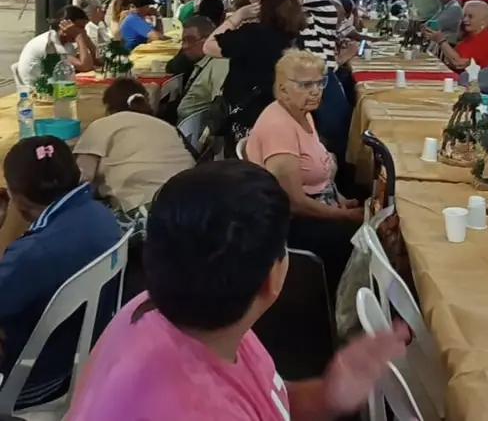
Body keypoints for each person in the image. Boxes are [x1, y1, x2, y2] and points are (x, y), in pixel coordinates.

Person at [66, 162, 409, 421]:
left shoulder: (153, 310)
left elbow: (265, 399)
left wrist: (328, 394)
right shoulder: (194, 405)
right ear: (271, 278)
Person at [0, 136, 120, 409]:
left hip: (33, 382)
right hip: (82, 356)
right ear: (77, 174)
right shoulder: (100, 214)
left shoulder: (32, 253)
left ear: (17, 199)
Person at [247, 49, 363, 295]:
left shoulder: (302, 113)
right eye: (305, 84)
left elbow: (320, 165)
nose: (316, 90)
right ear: (282, 88)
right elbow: (294, 203)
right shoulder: (279, 126)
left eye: (320, 82)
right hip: (290, 224)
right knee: (361, 236)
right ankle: (342, 312)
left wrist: (341, 200)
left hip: (319, 204)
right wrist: (344, 216)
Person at [75, 79, 194, 240]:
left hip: (149, 212)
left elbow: (83, 178)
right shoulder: (166, 126)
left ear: (108, 107)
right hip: (193, 204)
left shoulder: (101, 125)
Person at [204, 0, 306, 144]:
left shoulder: (253, 35)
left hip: (250, 120)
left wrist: (237, 16)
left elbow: (208, 46)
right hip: (281, 114)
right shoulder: (293, 32)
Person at [294, 0, 354, 160]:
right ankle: (331, 178)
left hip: (321, 64)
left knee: (334, 124)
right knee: (337, 125)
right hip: (317, 65)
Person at [17, 5, 95, 87]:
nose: (83, 31)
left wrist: (87, 40)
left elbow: (97, 62)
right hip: (37, 91)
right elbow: (85, 66)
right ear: (65, 26)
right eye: (80, 28)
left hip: (54, 85)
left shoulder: (66, 45)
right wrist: (80, 37)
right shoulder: (50, 43)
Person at [177, 16, 230, 122]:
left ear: (208, 40)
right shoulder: (203, 61)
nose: (185, 46)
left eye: (191, 40)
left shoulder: (219, 64)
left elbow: (220, 111)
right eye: (183, 40)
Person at [425, 0, 488, 70]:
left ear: (483, 21)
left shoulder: (486, 38)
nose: (465, 20)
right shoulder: (471, 36)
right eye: (464, 16)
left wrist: (441, 40)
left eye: (470, 17)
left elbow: (458, 63)